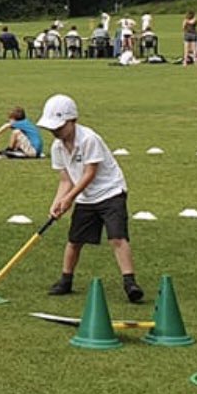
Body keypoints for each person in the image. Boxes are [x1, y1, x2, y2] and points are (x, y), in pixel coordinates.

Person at [37, 93, 144, 303]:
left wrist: (69, 199)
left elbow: (89, 173)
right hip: (85, 197)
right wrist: (57, 202)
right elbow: (65, 179)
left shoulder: (89, 139)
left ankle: (130, 282)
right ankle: (65, 280)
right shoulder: (57, 147)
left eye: (59, 127)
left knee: (117, 237)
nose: (55, 132)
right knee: (74, 241)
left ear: (72, 120)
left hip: (110, 192)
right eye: (52, 129)